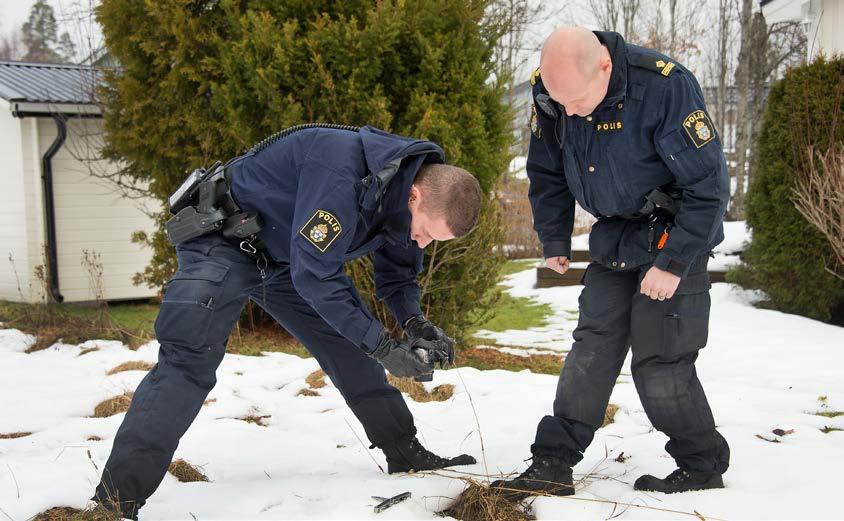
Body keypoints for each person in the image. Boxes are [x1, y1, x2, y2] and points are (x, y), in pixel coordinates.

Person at [93, 124, 480, 518]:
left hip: (283, 259)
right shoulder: (341, 171)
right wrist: (384, 347)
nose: (423, 243)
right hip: (224, 242)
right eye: (428, 233)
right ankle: (115, 502)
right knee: (188, 361)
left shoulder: (397, 197)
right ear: (414, 196)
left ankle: (404, 452)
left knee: (351, 345)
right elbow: (316, 276)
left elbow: (397, 275)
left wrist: (415, 323)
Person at [492, 27, 730, 498]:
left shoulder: (664, 87)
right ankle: (554, 462)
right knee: (592, 348)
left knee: (661, 360)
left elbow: (709, 187)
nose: (571, 113)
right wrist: (555, 235)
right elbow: (546, 168)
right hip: (614, 238)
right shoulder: (554, 91)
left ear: (604, 65)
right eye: (562, 105)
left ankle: (701, 465)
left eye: (577, 103)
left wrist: (673, 263)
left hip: (674, 233)